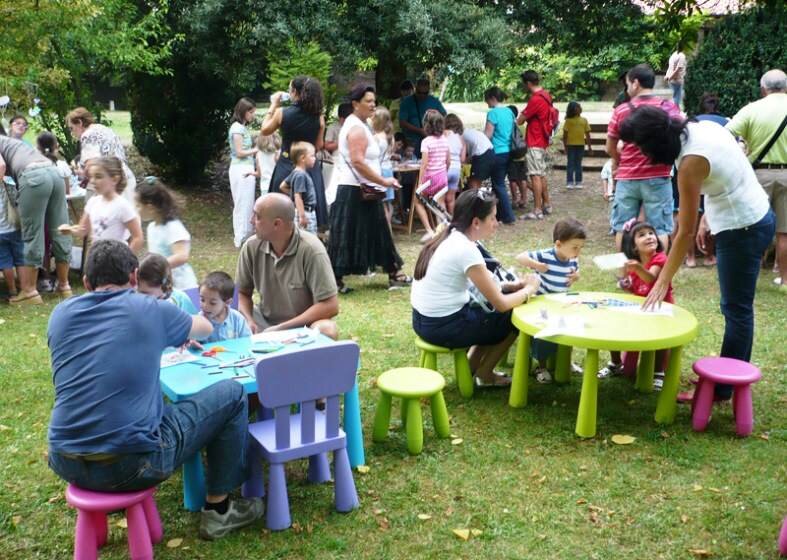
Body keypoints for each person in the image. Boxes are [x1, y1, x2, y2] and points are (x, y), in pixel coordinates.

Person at [46, 239, 263, 540]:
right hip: (131, 463)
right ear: (134, 277)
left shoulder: (60, 315)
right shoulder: (149, 309)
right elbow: (205, 328)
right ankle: (219, 510)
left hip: (64, 459)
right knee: (233, 393)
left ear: (85, 281)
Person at [620, 105, 775, 401]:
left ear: (654, 142)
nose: (640, 152)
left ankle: (721, 389)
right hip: (755, 213)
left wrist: (663, 279)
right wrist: (709, 216)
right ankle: (728, 379)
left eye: (640, 146)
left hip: (743, 228)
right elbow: (729, 168)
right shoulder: (701, 126)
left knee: (737, 310)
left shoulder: (690, 163)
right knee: (737, 308)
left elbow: (684, 233)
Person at [411, 188, 540, 386]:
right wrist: (528, 289)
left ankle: (472, 367)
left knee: (486, 316)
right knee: (512, 317)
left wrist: (511, 286)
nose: (496, 224)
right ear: (476, 222)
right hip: (443, 327)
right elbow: (501, 304)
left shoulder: (449, 236)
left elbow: (479, 286)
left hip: (424, 321)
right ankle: (485, 373)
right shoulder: (466, 250)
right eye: (493, 218)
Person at [327, 85, 411, 292]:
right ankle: (333, 281)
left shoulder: (361, 125)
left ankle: (394, 273)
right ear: (356, 104)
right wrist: (384, 181)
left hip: (363, 188)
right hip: (353, 188)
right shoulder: (356, 128)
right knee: (345, 235)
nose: (373, 104)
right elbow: (358, 161)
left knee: (378, 230)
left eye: (374, 100)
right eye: (368, 101)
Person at [237, 193, 339, 338]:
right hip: (264, 322)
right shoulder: (251, 246)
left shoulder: (311, 250)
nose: (251, 221)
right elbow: (242, 293)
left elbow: (330, 305)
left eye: (257, 216)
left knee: (327, 329)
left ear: (277, 224)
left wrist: (281, 328)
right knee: (224, 315)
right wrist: (248, 320)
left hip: (303, 326)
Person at [605, 64, 682, 251]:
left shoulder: (621, 110)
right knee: (660, 228)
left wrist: (619, 161)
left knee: (622, 227)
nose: (627, 88)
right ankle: (658, 273)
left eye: (628, 83)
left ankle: (626, 275)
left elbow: (610, 146)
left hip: (628, 178)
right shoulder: (668, 108)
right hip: (658, 177)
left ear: (636, 83)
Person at [725, 69, 787, 288]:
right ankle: (785, 279)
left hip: (758, 175)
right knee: (784, 231)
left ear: (763, 89)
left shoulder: (752, 109)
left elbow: (727, 133)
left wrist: (741, 150)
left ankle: (749, 276)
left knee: (752, 225)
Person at [599, 220, 674, 390]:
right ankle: (615, 363)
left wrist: (638, 269)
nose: (649, 237)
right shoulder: (634, 263)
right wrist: (626, 284)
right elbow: (636, 288)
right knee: (614, 326)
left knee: (660, 341)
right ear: (633, 247)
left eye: (651, 233)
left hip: (661, 310)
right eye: (642, 235)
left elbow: (652, 279)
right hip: (641, 309)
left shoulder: (660, 258)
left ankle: (658, 372)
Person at [0, 134, 72, 304]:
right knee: (60, 229)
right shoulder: (8, 141)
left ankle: (29, 291)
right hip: (53, 173)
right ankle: (65, 286)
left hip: (33, 177)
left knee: (33, 232)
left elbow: (1, 165)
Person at [515, 218, 585, 383]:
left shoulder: (573, 258)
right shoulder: (545, 255)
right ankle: (541, 366)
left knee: (567, 331)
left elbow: (577, 270)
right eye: (575, 247)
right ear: (558, 244)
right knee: (543, 336)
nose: (578, 252)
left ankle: (565, 361)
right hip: (543, 305)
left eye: (581, 247)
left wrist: (576, 276)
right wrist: (536, 265)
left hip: (562, 304)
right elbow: (520, 257)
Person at [261, 76, 328, 230]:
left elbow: (265, 130)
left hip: (286, 164)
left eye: (290, 90)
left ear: (297, 93)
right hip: (309, 167)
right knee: (310, 205)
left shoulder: (282, 113)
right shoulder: (319, 117)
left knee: (280, 210)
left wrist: (273, 105)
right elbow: (319, 145)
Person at [63, 156, 143, 253]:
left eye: (98, 177)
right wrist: (69, 229)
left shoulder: (122, 206)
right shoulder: (93, 202)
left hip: (115, 260)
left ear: (114, 179)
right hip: (97, 258)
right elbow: (82, 230)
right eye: (91, 177)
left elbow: (138, 238)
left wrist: (125, 259)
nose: (92, 181)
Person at [135, 177, 198, 290]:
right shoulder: (152, 228)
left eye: (138, 205)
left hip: (182, 286)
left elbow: (182, 256)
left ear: (150, 208)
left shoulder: (173, 227)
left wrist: (156, 267)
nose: (136, 209)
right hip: (162, 284)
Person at [66, 107, 137, 203]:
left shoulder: (87, 135)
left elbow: (91, 164)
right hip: (126, 178)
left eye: (71, 128)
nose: (71, 133)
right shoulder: (104, 129)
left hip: (112, 185)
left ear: (79, 122)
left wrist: (81, 173)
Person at [518, 70, 556, 220]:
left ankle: (537, 209)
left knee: (535, 175)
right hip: (543, 139)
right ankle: (547, 204)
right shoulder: (547, 95)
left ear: (528, 83)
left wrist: (523, 116)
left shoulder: (535, 99)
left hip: (534, 139)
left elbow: (520, 120)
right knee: (541, 174)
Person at [227, 97, 258, 248]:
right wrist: (258, 149)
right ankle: (241, 236)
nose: (253, 115)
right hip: (241, 168)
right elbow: (239, 152)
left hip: (246, 167)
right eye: (251, 112)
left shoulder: (242, 127)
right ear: (244, 112)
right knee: (242, 203)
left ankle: (245, 234)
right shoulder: (237, 128)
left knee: (247, 202)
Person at [483, 87, 516, 224]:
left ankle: (508, 216)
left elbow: (488, 135)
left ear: (492, 98)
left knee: (499, 185)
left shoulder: (493, 113)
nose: (486, 103)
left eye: (486, 99)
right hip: (509, 151)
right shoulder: (509, 111)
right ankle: (500, 214)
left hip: (497, 152)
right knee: (500, 183)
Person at [417, 110, 451, 241]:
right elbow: (448, 161)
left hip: (429, 178)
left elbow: (424, 164)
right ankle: (442, 231)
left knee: (418, 202)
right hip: (442, 176)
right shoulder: (445, 140)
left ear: (426, 125)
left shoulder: (426, 141)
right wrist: (444, 172)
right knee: (440, 203)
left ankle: (429, 230)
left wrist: (420, 182)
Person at [194, 271, 251, 344]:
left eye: (212, 303)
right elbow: (191, 346)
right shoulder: (198, 321)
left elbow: (247, 342)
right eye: (202, 300)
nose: (205, 306)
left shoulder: (237, 319)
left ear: (227, 302)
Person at [398, 78, 446, 157]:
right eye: (419, 92)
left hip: (431, 141)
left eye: (425, 93)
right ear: (415, 89)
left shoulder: (434, 101)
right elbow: (402, 122)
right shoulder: (406, 102)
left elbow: (444, 117)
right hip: (412, 142)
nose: (422, 95)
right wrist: (419, 131)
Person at [280, 141, 318, 234]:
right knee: (309, 240)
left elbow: (282, 186)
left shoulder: (296, 172)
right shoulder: (300, 175)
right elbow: (298, 196)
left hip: (303, 211)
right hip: (305, 212)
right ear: (303, 158)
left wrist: (292, 192)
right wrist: (302, 216)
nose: (315, 159)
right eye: (312, 156)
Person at [322, 103, 352, 208]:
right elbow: (326, 145)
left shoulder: (356, 127)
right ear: (340, 118)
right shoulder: (333, 127)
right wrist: (342, 141)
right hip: (337, 161)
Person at [371, 106, 397, 227]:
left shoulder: (376, 137)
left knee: (381, 204)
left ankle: (385, 228)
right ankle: (388, 226)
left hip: (380, 170)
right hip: (388, 169)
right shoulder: (390, 136)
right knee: (388, 203)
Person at [0, 175, 23, 298]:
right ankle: (25, 289)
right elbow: (16, 200)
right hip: (14, 226)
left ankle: (12, 291)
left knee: (5, 262)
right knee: (20, 259)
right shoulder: (8, 180)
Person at [562, 101, 592, 190]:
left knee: (578, 164)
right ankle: (570, 182)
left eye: (580, 107)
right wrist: (565, 147)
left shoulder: (584, 120)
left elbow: (587, 135)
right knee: (570, 164)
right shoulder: (568, 121)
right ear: (572, 109)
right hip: (570, 146)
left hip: (580, 145)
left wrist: (590, 147)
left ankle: (578, 181)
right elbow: (565, 135)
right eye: (577, 107)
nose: (580, 108)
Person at [505, 105, 528, 210]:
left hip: (512, 156)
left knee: (513, 179)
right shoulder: (521, 126)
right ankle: (524, 198)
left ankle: (515, 199)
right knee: (523, 178)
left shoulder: (507, 126)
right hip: (522, 156)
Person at [444, 113, 466, 214]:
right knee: (451, 198)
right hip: (456, 169)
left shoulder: (443, 135)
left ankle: (443, 220)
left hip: (445, 167)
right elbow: (462, 159)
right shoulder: (461, 138)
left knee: (441, 198)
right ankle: (452, 218)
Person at [462, 123, 495, 188]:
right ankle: (477, 195)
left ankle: (474, 197)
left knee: (473, 183)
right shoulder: (468, 132)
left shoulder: (460, 136)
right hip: (491, 152)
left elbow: (463, 159)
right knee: (477, 181)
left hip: (482, 155)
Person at [251, 132, 280, 196]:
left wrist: (250, 173)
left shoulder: (258, 154)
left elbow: (259, 174)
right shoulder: (278, 153)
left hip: (265, 187)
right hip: (277, 186)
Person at [665, 43, 687, 109]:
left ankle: (674, 111)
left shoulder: (673, 55)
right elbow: (678, 69)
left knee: (675, 96)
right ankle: (675, 112)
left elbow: (670, 67)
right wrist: (671, 78)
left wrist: (667, 76)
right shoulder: (682, 56)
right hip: (677, 80)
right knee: (677, 98)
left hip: (671, 79)